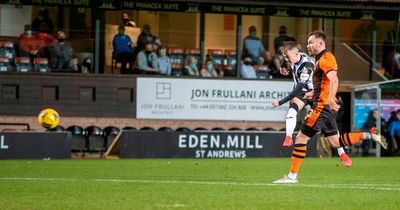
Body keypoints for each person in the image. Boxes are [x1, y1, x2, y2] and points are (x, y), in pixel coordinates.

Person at [273, 30, 388, 184]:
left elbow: (334, 79)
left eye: (311, 42)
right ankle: (370, 134)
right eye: (307, 42)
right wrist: (313, 93)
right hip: (323, 105)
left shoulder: (326, 58)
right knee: (335, 142)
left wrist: (329, 98)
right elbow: (325, 83)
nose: (308, 45)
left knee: (301, 138)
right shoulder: (320, 59)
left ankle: (292, 177)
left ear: (320, 43)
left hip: (321, 107)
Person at [271, 41, 352, 167]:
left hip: (313, 93)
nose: (287, 59)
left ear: (295, 53)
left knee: (328, 122)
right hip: (303, 94)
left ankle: (342, 152)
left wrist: (280, 102)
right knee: (292, 109)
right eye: (285, 57)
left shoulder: (307, 66)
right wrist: (283, 64)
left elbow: (298, 88)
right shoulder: (294, 56)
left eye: (287, 57)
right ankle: (288, 136)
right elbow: (289, 56)